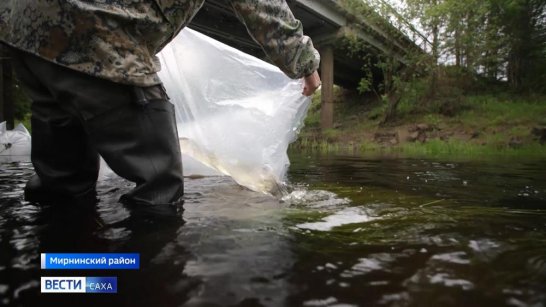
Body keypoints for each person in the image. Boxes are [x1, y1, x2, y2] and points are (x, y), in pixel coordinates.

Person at [0, 0, 321, 213]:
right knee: (159, 186)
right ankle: (145, 285)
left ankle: (59, 279)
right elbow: (262, 6)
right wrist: (304, 62)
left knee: (64, 182)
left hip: (24, 26)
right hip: (94, 30)